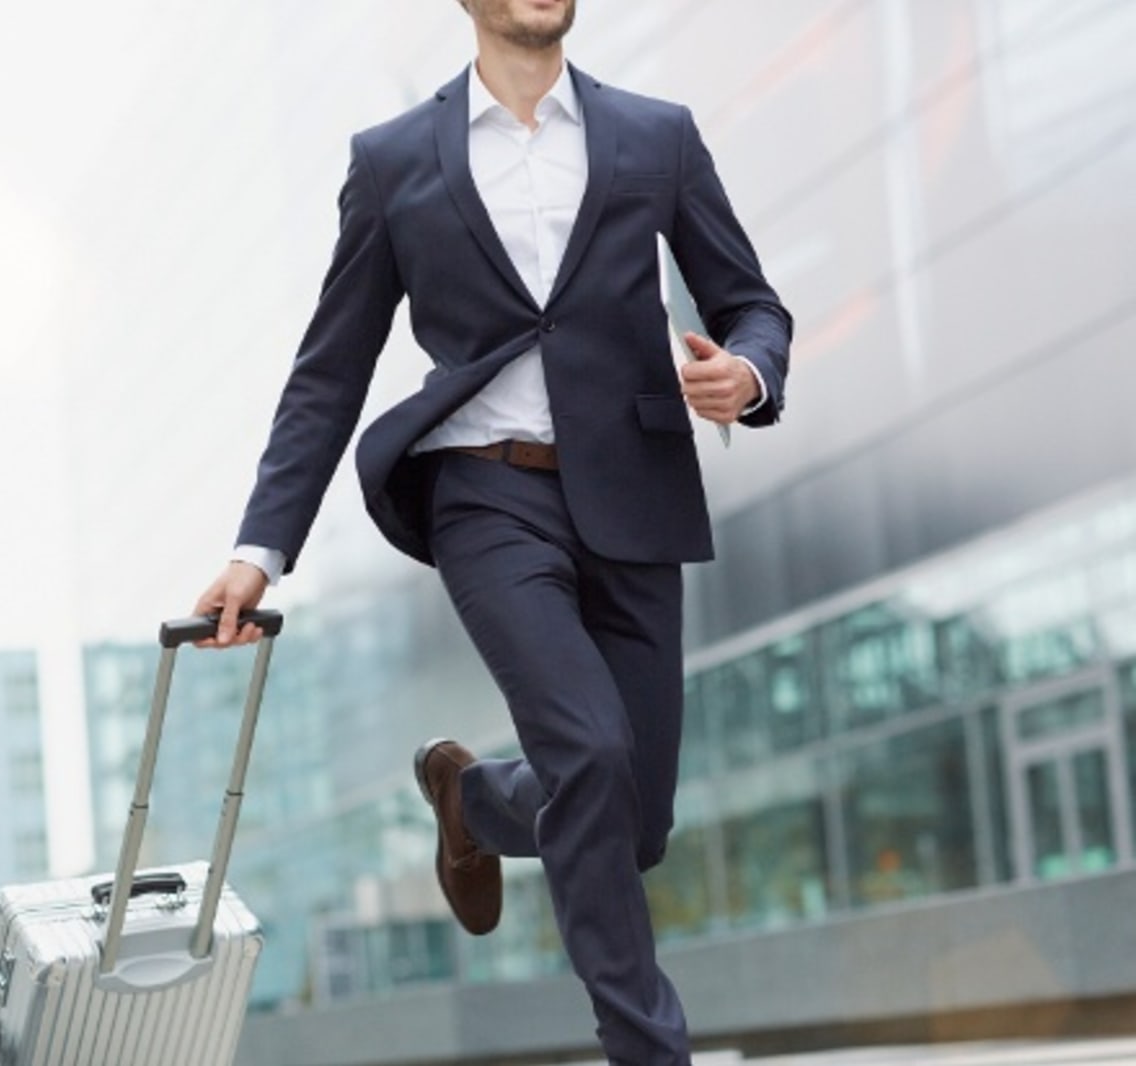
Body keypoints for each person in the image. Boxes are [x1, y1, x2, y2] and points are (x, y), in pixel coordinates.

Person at [192, 1, 791, 1061]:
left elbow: (753, 305)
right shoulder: (391, 163)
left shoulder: (657, 135)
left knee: (629, 821)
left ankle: (470, 798)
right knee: (593, 755)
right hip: (486, 497)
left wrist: (744, 374)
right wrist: (258, 548)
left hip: (635, 495)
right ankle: (648, 1048)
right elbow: (328, 371)